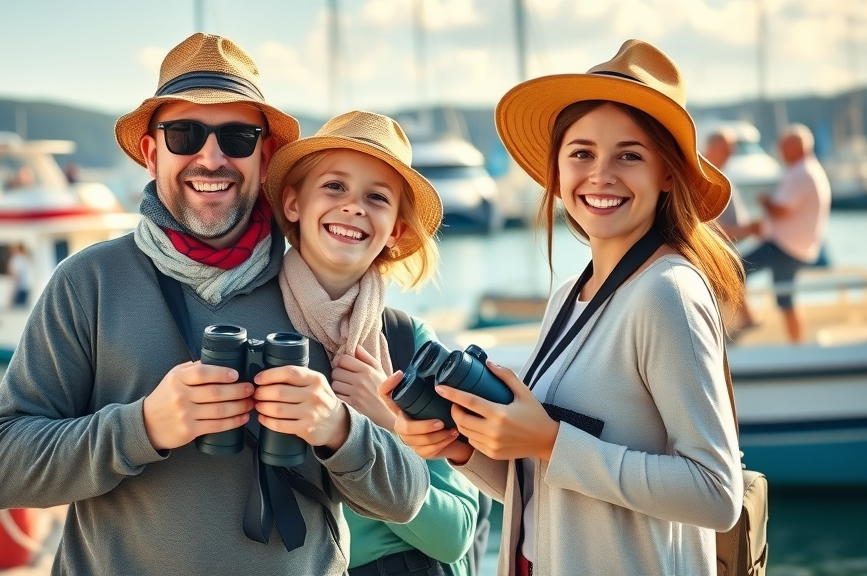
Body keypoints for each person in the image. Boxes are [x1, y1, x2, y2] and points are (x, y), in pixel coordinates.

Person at [0, 33, 429, 576]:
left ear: (265, 155)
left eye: (236, 137)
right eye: (184, 134)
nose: (210, 157)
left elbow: (406, 498)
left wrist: (337, 428)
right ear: (151, 153)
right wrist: (144, 426)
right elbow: (1, 469)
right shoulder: (89, 281)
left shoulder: (326, 297)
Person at [379, 39, 744, 575]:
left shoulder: (667, 292)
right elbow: (551, 490)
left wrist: (550, 440)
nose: (601, 174)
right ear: (557, 170)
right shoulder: (568, 296)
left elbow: (715, 493)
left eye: (629, 155)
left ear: (667, 174)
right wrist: (460, 447)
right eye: (581, 154)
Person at [264, 110, 479, 576]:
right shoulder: (258, 332)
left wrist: (388, 421)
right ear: (294, 203)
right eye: (335, 186)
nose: (354, 206)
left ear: (396, 232)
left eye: (377, 197)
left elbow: (456, 534)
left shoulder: (409, 345)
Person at [733, 123, 831, 343]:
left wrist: (764, 200)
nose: (780, 151)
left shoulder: (801, 172)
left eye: (783, 146)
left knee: (734, 269)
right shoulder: (808, 170)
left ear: (796, 147)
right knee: (786, 300)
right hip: (795, 246)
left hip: (784, 246)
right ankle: (796, 346)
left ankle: (749, 319)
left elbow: (780, 210)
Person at [702, 128, 751, 240]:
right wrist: (750, 229)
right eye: (725, 148)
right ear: (712, 148)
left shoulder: (721, 177)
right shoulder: (703, 179)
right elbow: (707, 230)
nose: (730, 152)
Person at [6, 243, 32, 307]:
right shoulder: (25, 259)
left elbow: (15, 276)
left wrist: (11, 294)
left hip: (18, 289)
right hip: (26, 287)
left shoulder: (16, 259)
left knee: (16, 309)